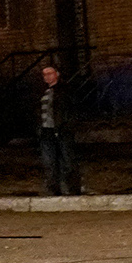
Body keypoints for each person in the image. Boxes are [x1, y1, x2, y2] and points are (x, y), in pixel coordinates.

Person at [37, 65, 81, 195]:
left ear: (57, 74)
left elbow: (70, 110)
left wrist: (66, 126)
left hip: (62, 131)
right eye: (44, 74)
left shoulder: (65, 90)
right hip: (46, 132)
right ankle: (54, 192)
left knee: (68, 161)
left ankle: (73, 191)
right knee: (49, 162)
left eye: (50, 73)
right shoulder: (42, 92)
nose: (47, 76)